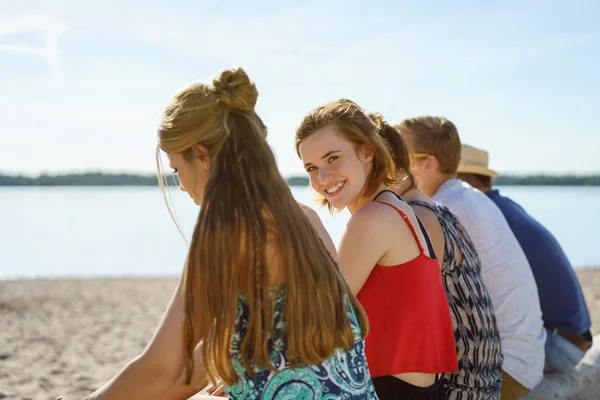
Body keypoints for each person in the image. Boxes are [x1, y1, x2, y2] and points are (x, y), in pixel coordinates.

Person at [57, 68, 378, 400]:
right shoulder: (304, 218)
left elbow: (162, 369)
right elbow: (200, 364)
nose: (180, 185)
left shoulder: (232, 225)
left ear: (201, 154)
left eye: (177, 169)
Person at [296, 99, 458, 400]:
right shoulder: (397, 208)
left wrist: (306, 220)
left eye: (332, 158)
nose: (322, 178)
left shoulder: (372, 218)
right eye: (311, 168)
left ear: (366, 151)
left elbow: (320, 314)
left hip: (392, 392)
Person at [396, 116, 546, 400]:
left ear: (428, 163)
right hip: (524, 359)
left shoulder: (441, 211)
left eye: (398, 155)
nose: (387, 161)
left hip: (503, 370)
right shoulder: (469, 197)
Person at [372, 115, 503, 399]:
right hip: (483, 381)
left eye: (396, 155)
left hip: (461, 389)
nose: (387, 166)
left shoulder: (417, 216)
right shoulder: (442, 210)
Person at [457, 143, 593, 374]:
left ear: (459, 180)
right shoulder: (504, 206)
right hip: (573, 338)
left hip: (558, 345)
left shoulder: (482, 215)